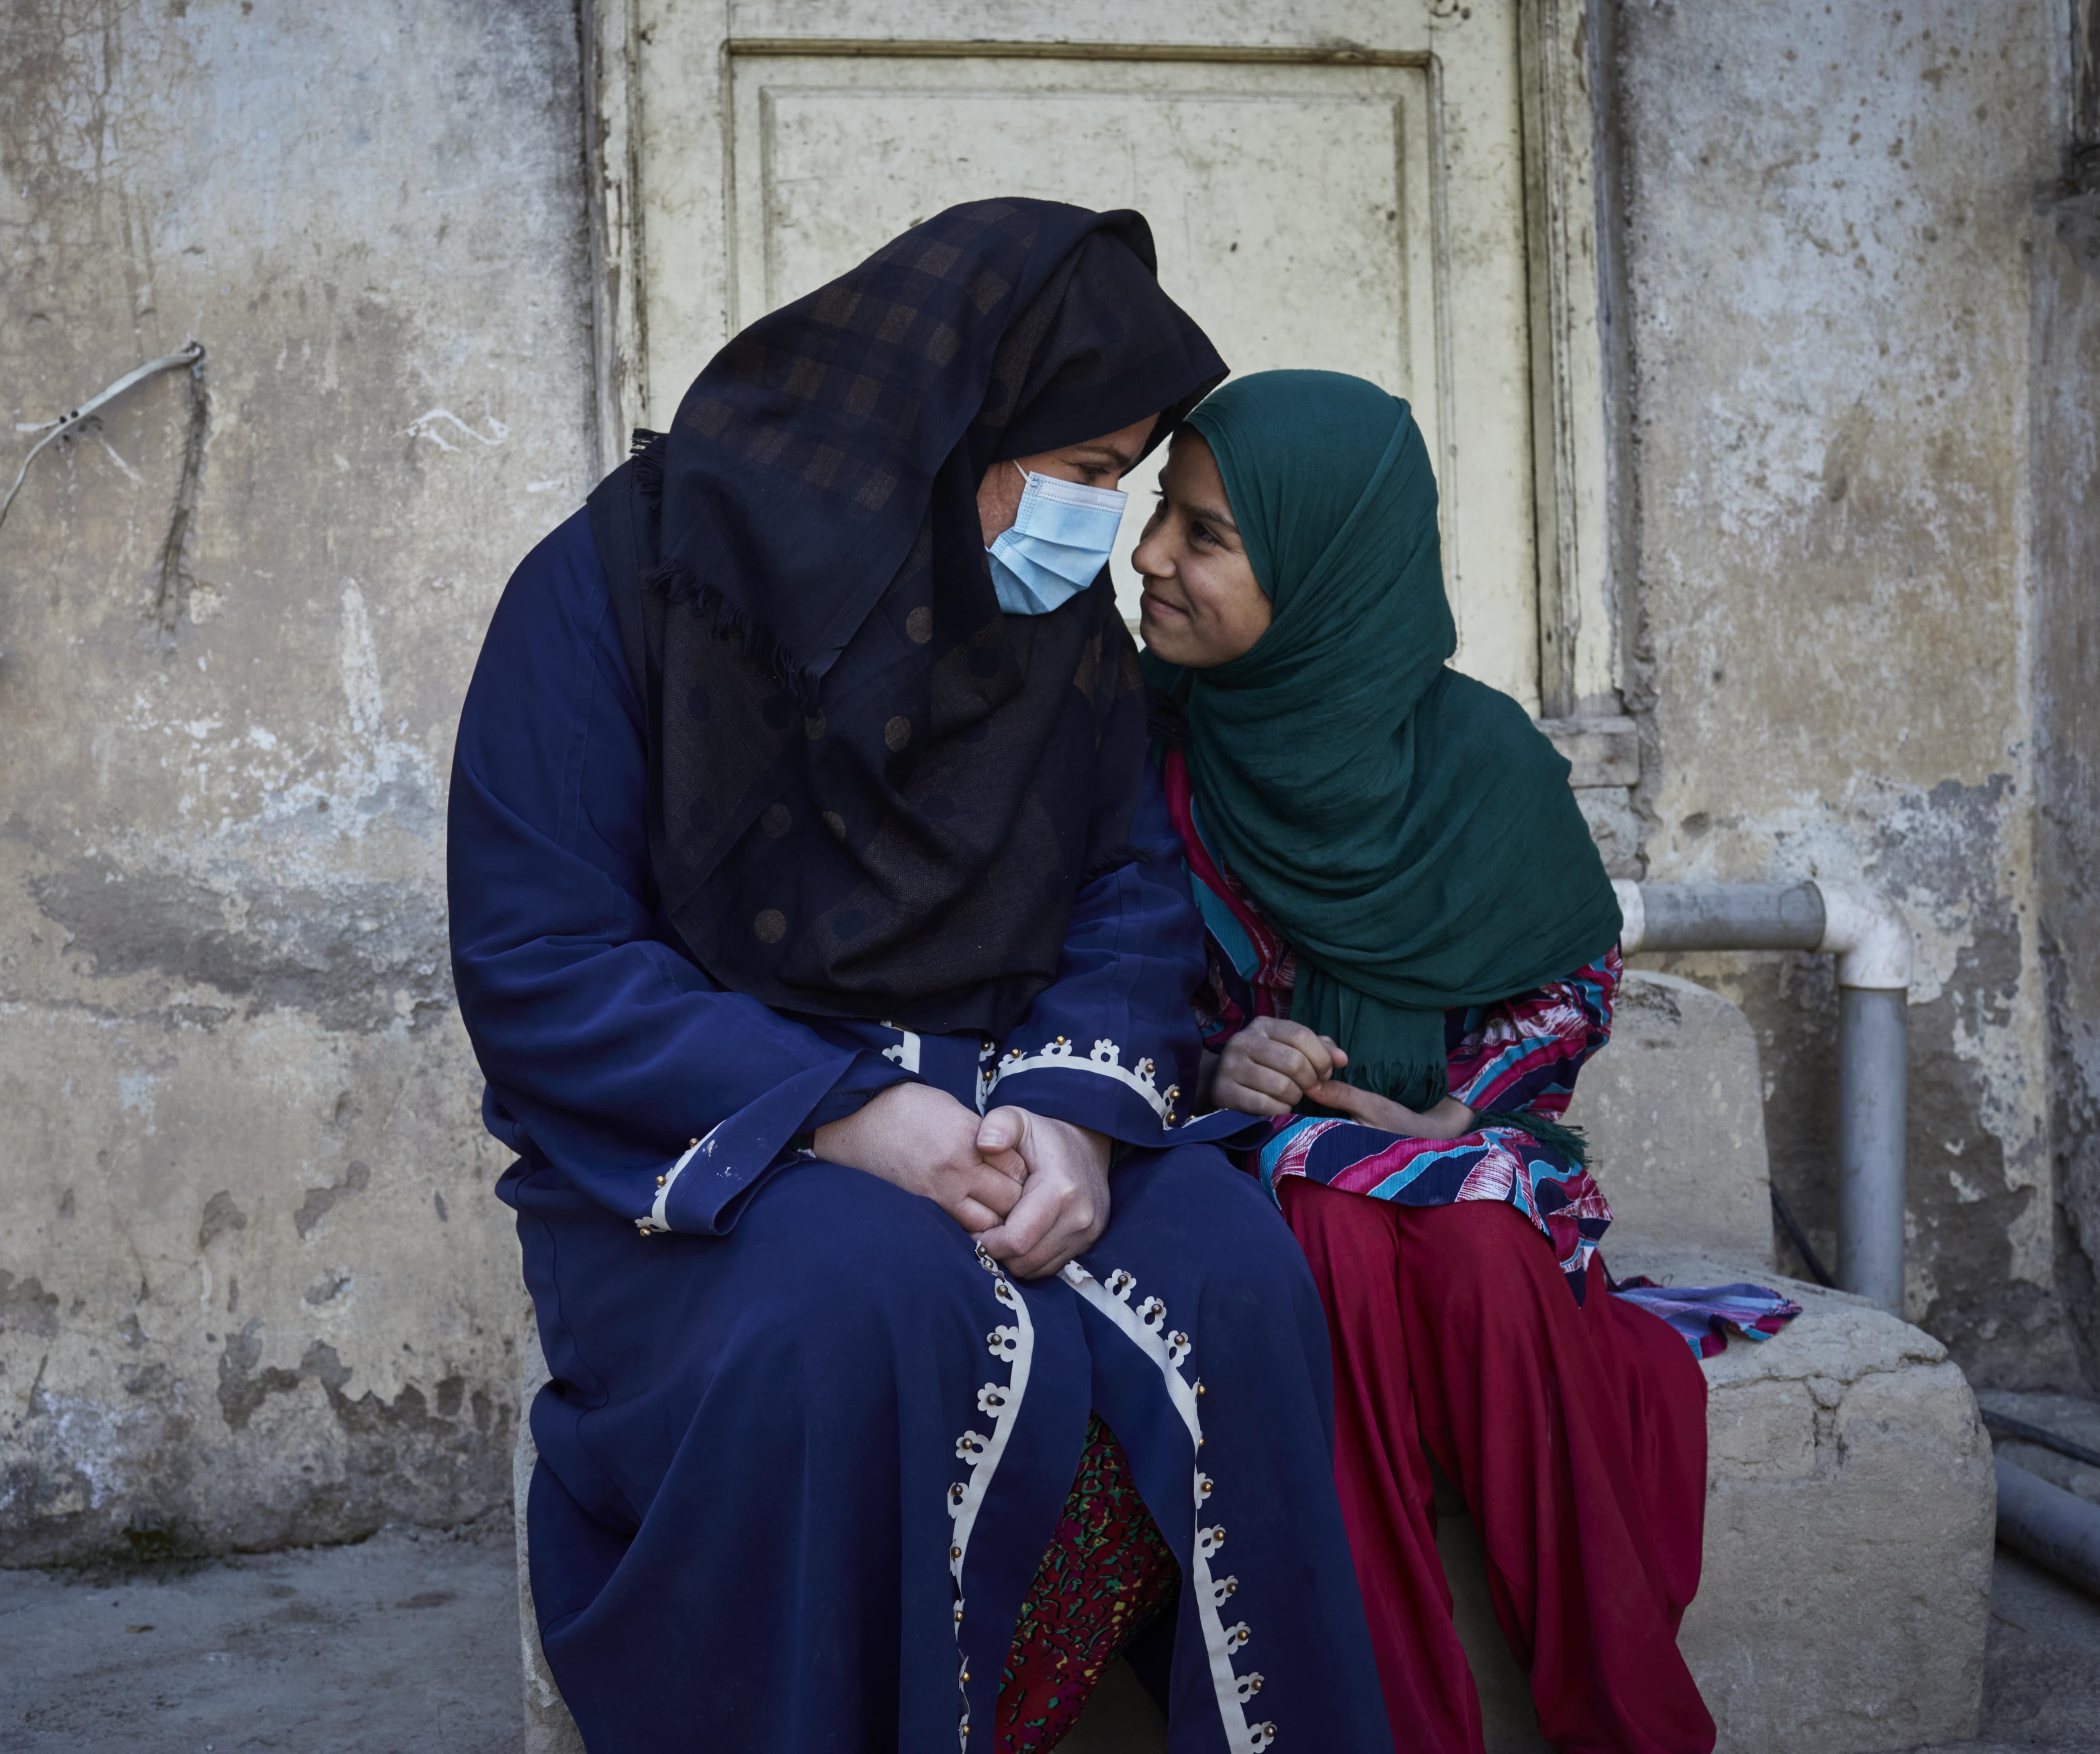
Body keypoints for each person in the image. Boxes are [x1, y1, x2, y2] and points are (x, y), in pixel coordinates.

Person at [450, 203, 1396, 1753]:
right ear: (956, 430)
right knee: (865, 1307)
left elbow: (1129, 884)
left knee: (1234, 1273)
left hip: (1014, 1102)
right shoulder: (618, 589)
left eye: (1126, 478)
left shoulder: (1053, 629)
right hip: (724, 1146)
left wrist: (1077, 1118)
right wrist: (844, 1111)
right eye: (1086, 471)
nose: (1104, 526)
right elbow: (540, 954)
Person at [1132, 369, 1796, 1754]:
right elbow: (1086, 972)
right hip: (1236, 1167)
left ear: (1329, 568)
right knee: (1326, 1221)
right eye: (1160, 515)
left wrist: (1455, 1111)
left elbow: (1568, 980)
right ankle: (1384, 1721)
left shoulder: (1479, 758)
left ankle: (1625, 1723)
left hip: (1456, 1151)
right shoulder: (1140, 751)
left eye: (1205, 535)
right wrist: (1213, 1061)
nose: (1149, 557)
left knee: (1485, 1246)